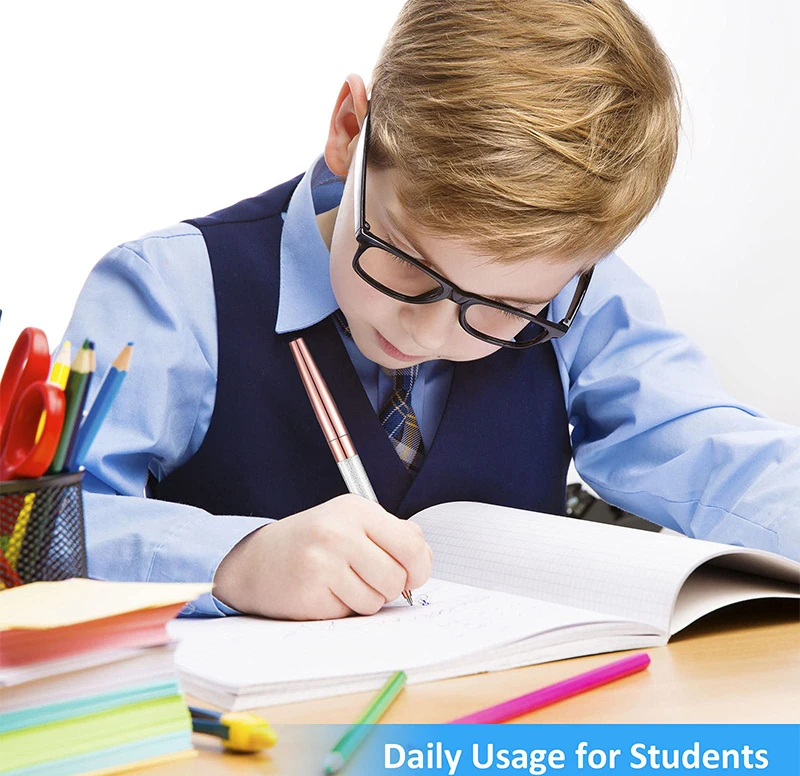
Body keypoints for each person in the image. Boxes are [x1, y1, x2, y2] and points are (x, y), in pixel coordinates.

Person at [60, 0, 800, 621]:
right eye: (410, 264)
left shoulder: (576, 296)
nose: (430, 330)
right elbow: (33, 533)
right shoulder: (170, 290)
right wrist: (232, 561)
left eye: (505, 308)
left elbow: (713, 453)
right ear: (350, 130)